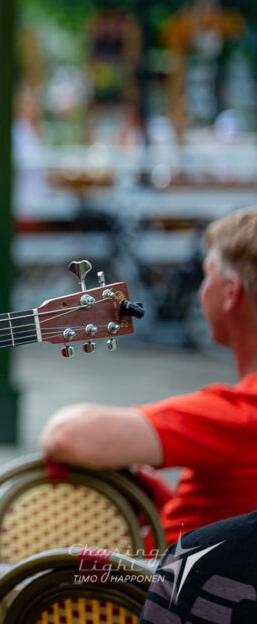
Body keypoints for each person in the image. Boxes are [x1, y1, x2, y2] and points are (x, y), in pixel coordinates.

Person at [40, 206, 257, 539]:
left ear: (231, 293)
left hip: (150, 586)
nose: (201, 290)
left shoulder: (238, 414)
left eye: (207, 275)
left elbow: (66, 433)